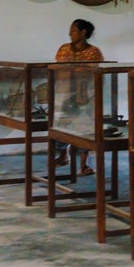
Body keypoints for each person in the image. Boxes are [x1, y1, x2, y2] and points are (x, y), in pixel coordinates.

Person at [54, 19, 104, 174]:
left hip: (84, 95)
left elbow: (93, 74)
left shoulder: (93, 52)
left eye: (74, 31)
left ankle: (83, 164)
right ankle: (63, 155)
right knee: (60, 125)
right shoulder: (63, 49)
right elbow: (57, 69)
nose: (70, 34)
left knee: (84, 127)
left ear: (83, 33)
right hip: (64, 93)